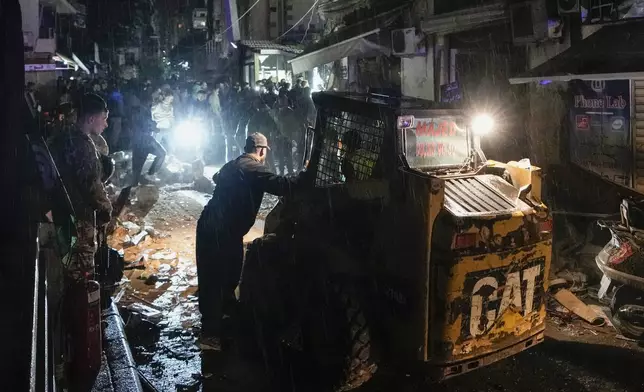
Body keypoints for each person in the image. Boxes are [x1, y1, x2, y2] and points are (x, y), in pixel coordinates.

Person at [195, 133, 304, 350]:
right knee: (216, 279)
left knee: (227, 274)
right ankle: (210, 336)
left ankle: (225, 320)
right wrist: (306, 176)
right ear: (262, 151)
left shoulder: (233, 165)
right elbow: (282, 185)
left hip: (214, 227)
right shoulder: (253, 167)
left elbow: (217, 177)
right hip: (221, 230)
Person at [49, 93, 113, 279]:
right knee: (83, 276)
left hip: (60, 215)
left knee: (67, 268)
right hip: (79, 219)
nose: (106, 124)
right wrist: (106, 209)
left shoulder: (62, 137)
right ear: (91, 118)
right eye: (104, 119)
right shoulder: (83, 146)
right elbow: (92, 186)